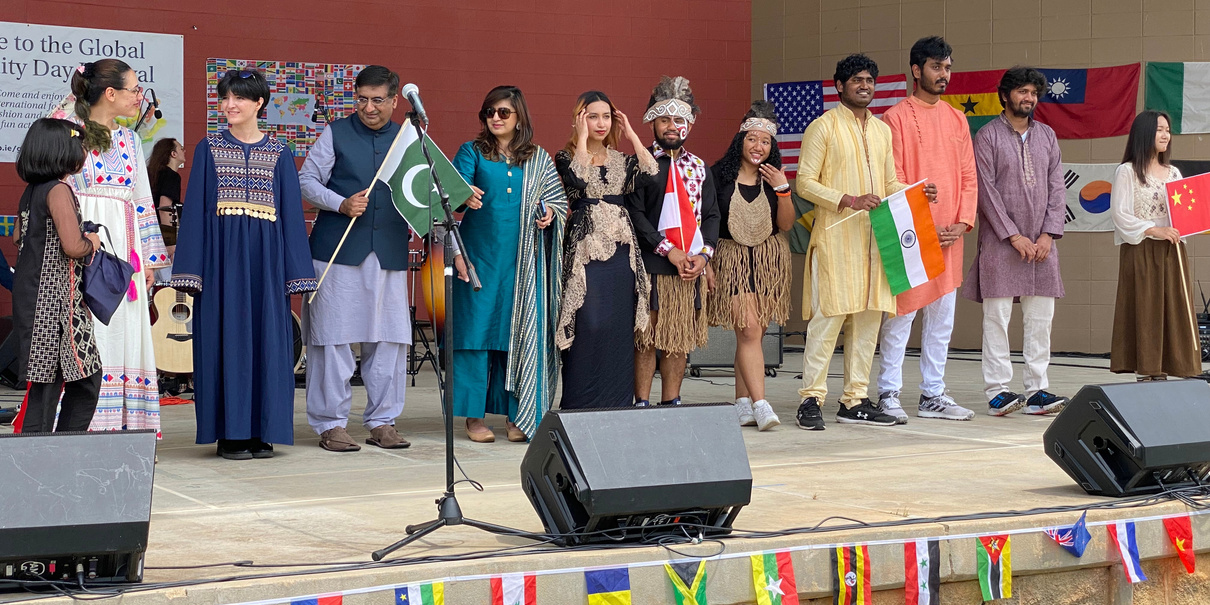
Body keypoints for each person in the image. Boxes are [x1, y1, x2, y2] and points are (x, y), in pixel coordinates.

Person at [171, 69, 317, 460]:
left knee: (269, 341)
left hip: (266, 265)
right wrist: (190, 271)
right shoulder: (209, 148)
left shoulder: (280, 152)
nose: (229, 105)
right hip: (221, 264)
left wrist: (297, 273)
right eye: (225, 98)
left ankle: (262, 431)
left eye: (238, 98)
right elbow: (198, 213)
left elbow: (289, 214)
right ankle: (231, 434)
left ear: (259, 104)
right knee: (226, 341)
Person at [794, 54, 937, 431]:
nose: (865, 86)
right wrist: (848, 200)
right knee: (829, 319)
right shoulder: (822, 127)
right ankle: (811, 399)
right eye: (857, 80)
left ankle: (854, 399)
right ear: (839, 86)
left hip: (877, 241)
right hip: (836, 238)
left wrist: (916, 193)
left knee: (868, 320)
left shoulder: (881, 131)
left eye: (870, 80)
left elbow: (889, 185)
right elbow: (804, 182)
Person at [299, 65, 413, 453]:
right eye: (361, 99)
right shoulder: (335, 132)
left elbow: (424, 190)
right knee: (333, 339)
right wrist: (340, 202)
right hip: (337, 252)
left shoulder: (409, 138)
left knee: (390, 340)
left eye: (378, 100)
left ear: (395, 101)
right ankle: (330, 423)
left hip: (390, 252)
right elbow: (307, 181)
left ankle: (382, 421)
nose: (368, 107)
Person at [451, 85, 567, 443]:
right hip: (477, 258)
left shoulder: (538, 158)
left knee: (513, 336)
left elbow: (557, 203)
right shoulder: (472, 152)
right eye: (490, 112)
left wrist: (549, 214)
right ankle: (473, 417)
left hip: (522, 264)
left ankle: (515, 414)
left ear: (519, 118)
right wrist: (464, 195)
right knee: (474, 337)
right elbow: (448, 198)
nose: (496, 118)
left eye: (504, 112)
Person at [63, 59, 169, 436]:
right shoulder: (68, 134)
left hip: (125, 256)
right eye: (135, 89)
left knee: (125, 333)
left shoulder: (130, 140)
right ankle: (84, 429)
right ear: (110, 93)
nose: (140, 97)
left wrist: (151, 260)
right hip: (82, 250)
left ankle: (126, 431)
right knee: (89, 334)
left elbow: (142, 201)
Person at [876, 36, 978, 423]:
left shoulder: (957, 118)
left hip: (951, 234)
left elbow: (968, 176)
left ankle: (932, 394)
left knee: (942, 318)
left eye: (948, 67)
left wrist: (962, 223)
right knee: (903, 314)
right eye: (936, 67)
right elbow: (894, 177)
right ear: (916, 70)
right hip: (913, 234)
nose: (944, 75)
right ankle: (888, 392)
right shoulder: (896, 117)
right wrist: (926, 224)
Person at [964, 66, 1069, 416]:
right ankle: (997, 391)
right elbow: (986, 192)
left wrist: (1047, 234)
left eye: (1034, 93)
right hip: (1001, 241)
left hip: (1042, 244)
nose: (1029, 98)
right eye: (1022, 91)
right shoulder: (989, 136)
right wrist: (1013, 235)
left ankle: (1037, 390)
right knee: (997, 317)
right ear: (1006, 95)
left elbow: (1058, 187)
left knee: (1042, 319)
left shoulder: (1048, 136)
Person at [553, 91, 657, 409]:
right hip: (585, 248)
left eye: (606, 117)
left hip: (621, 251)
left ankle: (616, 401)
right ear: (581, 118)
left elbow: (652, 174)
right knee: (589, 323)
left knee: (616, 324)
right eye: (593, 116)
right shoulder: (566, 155)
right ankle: (580, 401)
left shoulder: (623, 161)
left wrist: (633, 136)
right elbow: (579, 178)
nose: (601, 123)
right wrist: (582, 137)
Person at [626, 76, 720, 407]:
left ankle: (672, 403)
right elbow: (634, 215)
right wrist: (669, 250)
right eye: (664, 119)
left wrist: (704, 257)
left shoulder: (699, 168)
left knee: (677, 341)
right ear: (652, 121)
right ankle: (640, 403)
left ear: (689, 125)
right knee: (646, 339)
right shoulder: (640, 163)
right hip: (651, 266)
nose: (671, 126)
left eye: (678, 120)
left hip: (687, 269)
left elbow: (711, 216)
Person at [12, 118, 103, 433]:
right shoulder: (59, 190)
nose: (83, 152)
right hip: (53, 301)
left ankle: (55, 451)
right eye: (78, 146)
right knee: (70, 382)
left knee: (59, 382)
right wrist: (92, 240)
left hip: (34, 295)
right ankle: (47, 455)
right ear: (61, 152)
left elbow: (17, 238)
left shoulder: (30, 192)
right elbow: (74, 246)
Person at [708, 100, 794, 431]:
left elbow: (785, 225)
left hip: (765, 261)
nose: (758, 147)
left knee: (752, 335)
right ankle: (761, 404)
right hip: (731, 259)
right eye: (752, 139)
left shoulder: (774, 178)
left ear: (771, 146)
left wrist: (783, 190)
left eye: (765, 141)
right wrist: (707, 261)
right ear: (740, 140)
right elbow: (708, 220)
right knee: (749, 330)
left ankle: (742, 402)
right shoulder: (718, 175)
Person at [1110, 111, 1201, 380]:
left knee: (1174, 308)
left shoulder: (1173, 172)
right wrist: (1153, 229)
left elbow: (1184, 212)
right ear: (1144, 133)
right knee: (1146, 307)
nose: (1165, 135)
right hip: (1142, 249)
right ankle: (1147, 371)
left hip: (1172, 250)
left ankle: (1171, 368)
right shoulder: (1127, 171)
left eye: (1168, 130)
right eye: (1159, 129)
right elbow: (1120, 214)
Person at [147, 138, 186, 256]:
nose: (184, 151)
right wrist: (170, 242)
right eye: (181, 148)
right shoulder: (171, 176)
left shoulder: (153, 174)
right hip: (162, 237)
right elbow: (165, 208)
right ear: (173, 154)